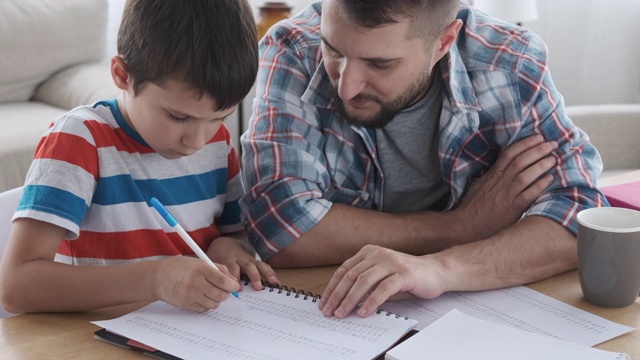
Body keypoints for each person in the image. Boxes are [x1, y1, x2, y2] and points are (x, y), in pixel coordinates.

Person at [240, 0, 608, 319]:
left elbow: (582, 219)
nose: (346, 86)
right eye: (333, 50)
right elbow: (280, 227)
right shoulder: (292, 47)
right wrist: (461, 227)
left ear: (443, 42)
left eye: (379, 64)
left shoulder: (510, 63)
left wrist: (442, 269)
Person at [0, 0, 279, 315]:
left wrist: (227, 249)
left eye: (219, 117)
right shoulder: (80, 141)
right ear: (122, 75)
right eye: (178, 117)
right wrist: (156, 279)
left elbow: (232, 234)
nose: (198, 141)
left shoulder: (217, 143)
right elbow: (16, 286)